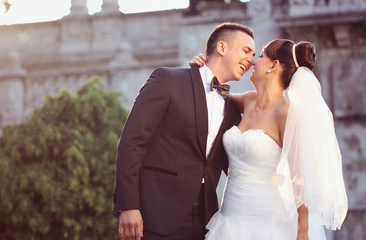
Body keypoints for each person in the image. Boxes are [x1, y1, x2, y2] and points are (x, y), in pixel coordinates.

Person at [190, 39, 348, 239]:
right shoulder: (248, 100)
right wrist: (203, 71)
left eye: (261, 55)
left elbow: (300, 178)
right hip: (229, 221)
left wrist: (303, 231)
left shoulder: (286, 113)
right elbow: (215, 93)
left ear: (274, 65)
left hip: (266, 222)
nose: (254, 61)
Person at [112, 22, 255, 240]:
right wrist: (128, 206)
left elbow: (233, 166)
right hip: (156, 216)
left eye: (254, 55)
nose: (251, 60)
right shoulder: (168, 81)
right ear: (222, 48)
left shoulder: (233, 110)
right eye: (246, 51)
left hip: (206, 222)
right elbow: (132, 143)